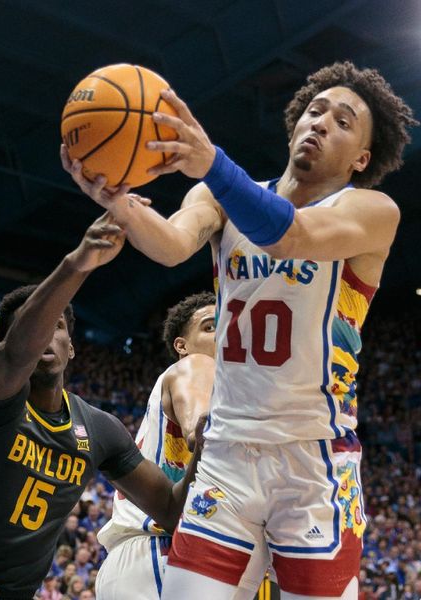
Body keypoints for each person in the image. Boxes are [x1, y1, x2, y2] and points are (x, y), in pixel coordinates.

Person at [64, 62, 417, 599]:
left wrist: (211, 163)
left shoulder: (371, 210)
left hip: (313, 457)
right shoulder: (222, 198)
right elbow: (172, 244)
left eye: (343, 122)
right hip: (226, 451)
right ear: (295, 123)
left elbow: (290, 234)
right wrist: (121, 204)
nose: (321, 123)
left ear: (362, 158)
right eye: (315, 111)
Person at [0, 214, 206, 599]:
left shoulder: (100, 428)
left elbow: (171, 511)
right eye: (34, 326)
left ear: (71, 347)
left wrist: (203, 451)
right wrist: (79, 262)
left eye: (58, 327)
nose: (45, 336)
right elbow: (19, 351)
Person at [95, 292, 234, 599]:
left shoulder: (223, 387)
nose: (224, 334)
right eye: (211, 327)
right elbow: (202, 427)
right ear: (182, 346)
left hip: (154, 557)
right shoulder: (197, 364)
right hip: (163, 551)